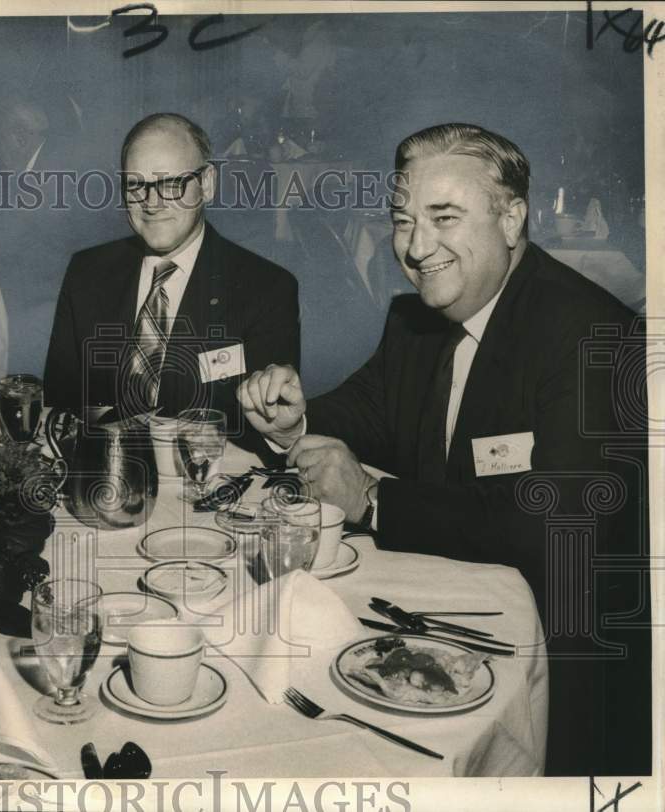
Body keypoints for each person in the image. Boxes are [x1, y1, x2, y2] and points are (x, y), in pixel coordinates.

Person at [237, 123, 650, 776]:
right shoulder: (415, 323)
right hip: (428, 630)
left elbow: (559, 526)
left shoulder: (592, 337)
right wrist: (291, 423)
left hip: (561, 669)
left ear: (512, 218)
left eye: (444, 217)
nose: (417, 246)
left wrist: (373, 500)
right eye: (403, 220)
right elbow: (359, 414)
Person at [44, 113, 299, 449]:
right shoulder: (87, 272)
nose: (151, 202)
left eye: (170, 184)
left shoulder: (265, 289)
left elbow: (268, 429)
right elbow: (62, 406)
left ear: (207, 183)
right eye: (136, 184)